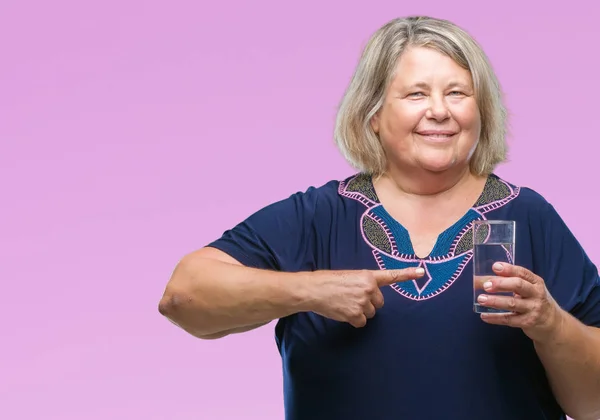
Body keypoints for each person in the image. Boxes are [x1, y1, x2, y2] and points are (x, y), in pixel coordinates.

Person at [158, 16, 600, 420]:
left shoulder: (527, 217)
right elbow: (184, 298)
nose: (440, 111)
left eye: (458, 93)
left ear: (480, 110)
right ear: (372, 114)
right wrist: (309, 290)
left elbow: (593, 405)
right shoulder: (318, 217)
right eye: (416, 94)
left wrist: (551, 323)